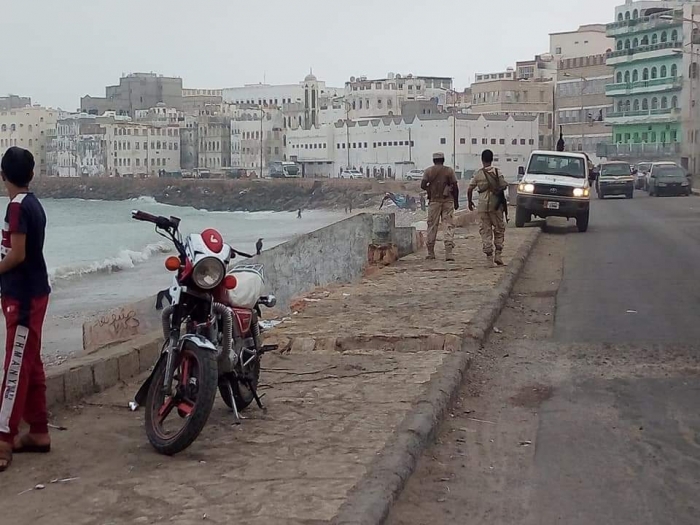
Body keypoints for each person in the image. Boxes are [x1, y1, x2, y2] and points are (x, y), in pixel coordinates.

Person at [0, 147, 51, 472]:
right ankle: (39, 430)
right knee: (30, 362)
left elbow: (17, 254)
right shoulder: (33, 204)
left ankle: (3, 438)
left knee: (15, 366)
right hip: (34, 292)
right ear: (31, 174)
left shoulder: (17, 207)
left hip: (23, 297)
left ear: (2, 175)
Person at [468, 149, 508, 267]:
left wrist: (470, 202)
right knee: (499, 229)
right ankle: (498, 255)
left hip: (482, 206)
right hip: (496, 206)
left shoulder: (478, 174)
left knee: (485, 231)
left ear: (482, 160)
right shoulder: (497, 172)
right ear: (492, 159)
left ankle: (489, 258)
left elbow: (470, 189)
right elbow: (504, 185)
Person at [421, 152, 459, 261]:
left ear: (434, 160)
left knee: (432, 226)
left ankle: (430, 252)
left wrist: (430, 189)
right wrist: (456, 202)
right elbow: (455, 187)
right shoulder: (449, 171)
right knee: (448, 225)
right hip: (448, 201)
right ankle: (449, 253)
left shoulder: (428, 171)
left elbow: (422, 185)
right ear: (443, 160)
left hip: (434, 201)